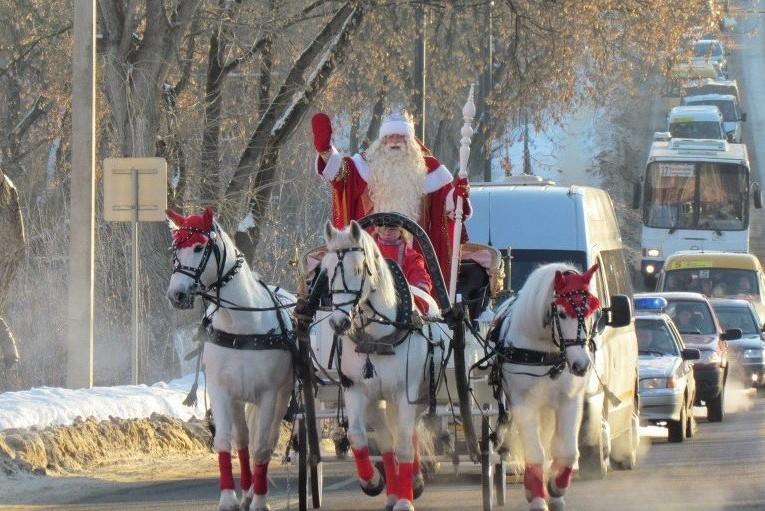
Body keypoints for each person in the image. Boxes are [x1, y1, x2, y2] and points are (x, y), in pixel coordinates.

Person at [311, 109, 471, 284]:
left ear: (410, 140)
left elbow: (449, 207)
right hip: (366, 261)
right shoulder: (364, 165)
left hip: (414, 259)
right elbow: (340, 174)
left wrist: (458, 195)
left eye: (400, 136)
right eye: (390, 136)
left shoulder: (430, 169)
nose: (394, 141)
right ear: (382, 140)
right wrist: (326, 152)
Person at [374, 225, 436, 315]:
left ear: (401, 230)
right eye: (383, 228)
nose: (387, 231)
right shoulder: (367, 253)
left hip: (403, 306)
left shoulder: (412, 257)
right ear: (377, 229)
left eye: (392, 228)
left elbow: (420, 277)